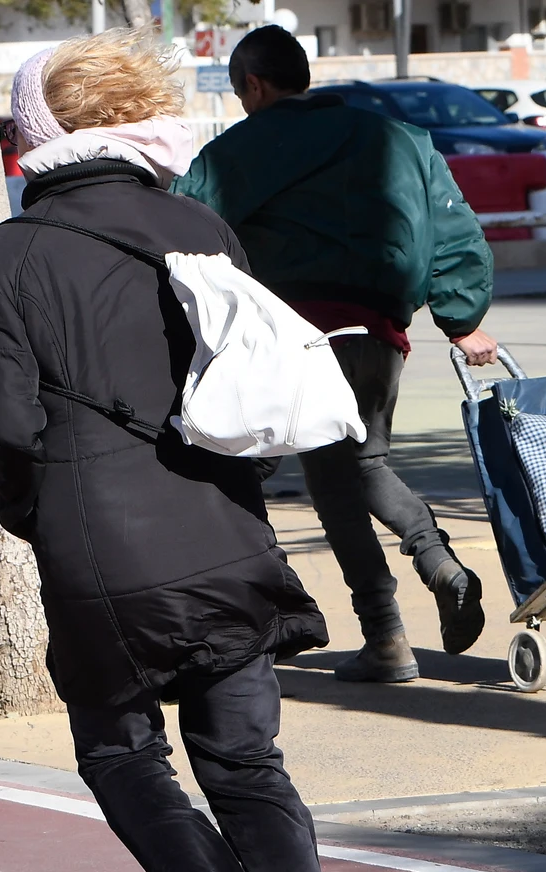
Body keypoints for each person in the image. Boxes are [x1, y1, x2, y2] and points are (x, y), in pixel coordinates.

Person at [0, 30, 367, 872]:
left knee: (118, 750)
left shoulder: (13, 251)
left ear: (39, 129)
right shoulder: (199, 226)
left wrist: (31, 509)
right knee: (246, 762)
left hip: (97, 541)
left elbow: (6, 422)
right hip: (223, 527)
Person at [174, 26, 500, 685]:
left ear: (255, 87)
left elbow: (184, 226)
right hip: (379, 330)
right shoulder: (402, 140)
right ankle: (439, 566)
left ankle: (386, 635)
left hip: (300, 336)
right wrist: (461, 317)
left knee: (332, 483)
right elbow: (454, 229)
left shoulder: (237, 150)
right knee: (366, 461)